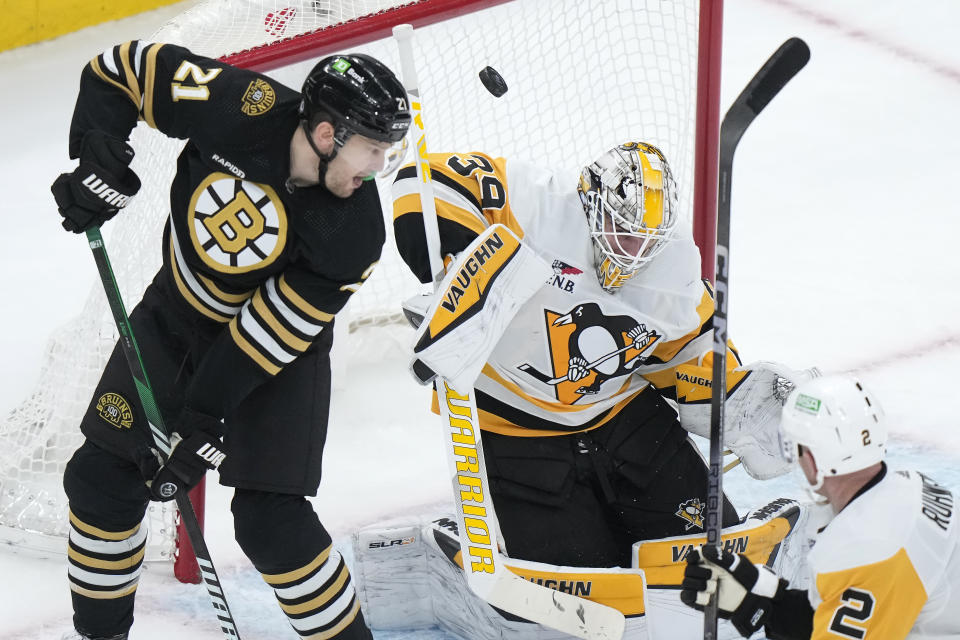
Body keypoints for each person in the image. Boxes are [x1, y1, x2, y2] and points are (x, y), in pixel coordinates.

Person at [50, 41, 410, 640]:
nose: (377, 167)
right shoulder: (243, 104)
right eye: (371, 149)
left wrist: (202, 422)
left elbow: (264, 338)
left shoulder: (354, 231)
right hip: (176, 314)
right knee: (100, 481)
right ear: (326, 134)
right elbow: (121, 70)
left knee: (272, 524)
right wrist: (99, 151)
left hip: (277, 361)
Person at [390, 141, 810, 570]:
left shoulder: (675, 259)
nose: (635, 253)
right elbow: (422, 179)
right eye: (625, 232)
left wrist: (732, 396)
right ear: (591, 202)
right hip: (515, 429)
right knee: (580, 571)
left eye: (649, 240)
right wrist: (456, 265)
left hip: (623, 419)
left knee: (706, 553)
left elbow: (684, 349)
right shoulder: (537, 206)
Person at [680, 373, 960, 639]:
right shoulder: (911, 486)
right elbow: (858, 611)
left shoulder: (864, 548)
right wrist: (762, 599)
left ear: (813, 460)